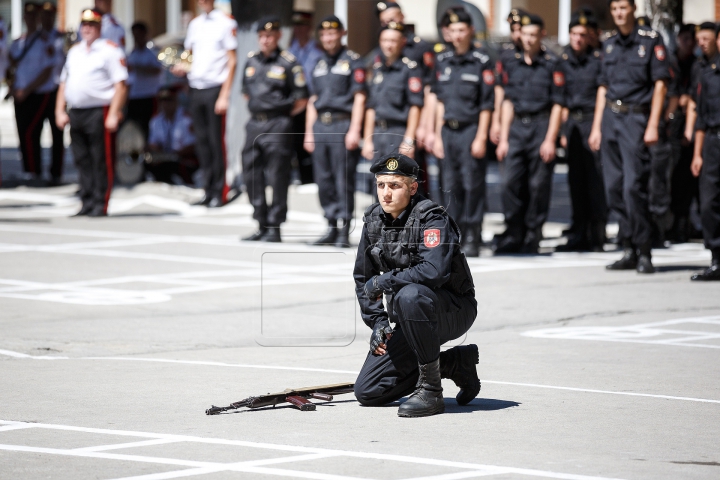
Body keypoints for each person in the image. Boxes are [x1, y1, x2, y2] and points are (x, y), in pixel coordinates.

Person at [353, 153, 479, 417]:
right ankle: (453, 364)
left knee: (409, 296)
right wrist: (377, 322)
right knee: (368, 391)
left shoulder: (432, 219)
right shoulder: (374, 220)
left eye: (394, 186)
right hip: (412, 316)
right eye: (381, 185)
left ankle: (431, 392)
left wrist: (386, 280)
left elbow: (433, 272)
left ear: (412, 187)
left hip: (451, 309)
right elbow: (364, 278)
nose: (386, 194)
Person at [588, 0, 670, 274]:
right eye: (615, 9)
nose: (619, 13)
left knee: (633, 187)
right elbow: (602, 87)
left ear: (634, 9)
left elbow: (660, 85)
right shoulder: (608, 43)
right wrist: (597, 126)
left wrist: (653, 125)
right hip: (611, 118)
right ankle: (628, 248)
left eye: (624, 7)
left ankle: (644, 249)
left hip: (637, 118)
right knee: (613, 188)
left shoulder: (650, 40)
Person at [495, 13, 564, 254]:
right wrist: (503, 138)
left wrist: (550, 139)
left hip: (541, 125)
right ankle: (514, 232)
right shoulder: (510, 61)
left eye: (534, 35)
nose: (529, 39)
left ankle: (533, 234)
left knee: (538, 184)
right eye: (525, 34)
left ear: (541, 35)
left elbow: (557, 104)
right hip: (516, 128)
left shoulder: (552, 63)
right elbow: (507, 102)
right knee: (509, 183)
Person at [432, 8, 494, 257]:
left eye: (461, 30)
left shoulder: (481, 61)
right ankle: (453, 234)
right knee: (449, 185)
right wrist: (436, 134)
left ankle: (473, 234)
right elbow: (439, 101)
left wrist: (481, 136)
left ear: (470, 31)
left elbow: (487, 104)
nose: (457, 35)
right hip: (448, 131)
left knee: (472, 184)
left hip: (470, 130)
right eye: (452, 30)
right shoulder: (443, 60)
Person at [240, 16, 309, 242]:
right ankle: (261, 220)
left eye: (269, 36)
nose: (265, 40)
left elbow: (301, 98)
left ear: (278, 36)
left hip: (278, 123)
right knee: (250, 172)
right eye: (261, 36)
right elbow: (246, 93)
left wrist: (281, 116)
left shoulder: (289, 62)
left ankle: (275, 226)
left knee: (277, 174)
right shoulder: (251, 61)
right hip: (254, 123)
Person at [55, 8, 128, 217]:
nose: (87, 29)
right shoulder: (75, 51)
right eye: (84, 25)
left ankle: (100, 201)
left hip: (99, 110)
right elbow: (64, 84)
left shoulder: (110, 50)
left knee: (100, 158)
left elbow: (120, 85)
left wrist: (114, 113)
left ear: (99, 27)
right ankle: (86, 200)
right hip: (77, 111)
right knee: (81, 158)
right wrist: (60, 110)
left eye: (92, 25)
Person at [303, 15, 366, 248]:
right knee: (324, 178)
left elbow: (360, 98)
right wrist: (309, 132)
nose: (328, 38)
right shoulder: (318, 63)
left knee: (343, 179)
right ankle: (330, 225)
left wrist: (354, 130)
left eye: (332, 33)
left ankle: (343, 229)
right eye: (324, 34)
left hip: (342, 125)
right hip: (321, 125)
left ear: (342, 34)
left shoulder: (353, 61)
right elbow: (313, 99)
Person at [175, 0, 237, 208]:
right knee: (201, 142)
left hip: (214, 88)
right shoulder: (195, 24)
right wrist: (181, 67)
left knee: (215, 142)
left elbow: (232, 60)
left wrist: (225, 94)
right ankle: (208, 189)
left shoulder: (225, 22)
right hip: (196, 87)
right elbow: (189, 55)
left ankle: (220, 191)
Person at [556, 12, 607, 252]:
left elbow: (601, 95)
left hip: (591, 122)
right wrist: (564, 130)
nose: (578, 38)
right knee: (575, 181)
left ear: (589, 38)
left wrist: (596, 128)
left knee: (594, 180)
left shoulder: (598, 60)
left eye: (583, 35)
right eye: (574, 34)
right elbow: (562, 98)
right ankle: (578, 232)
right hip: (573, 124)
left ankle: (596, 234)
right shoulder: (563, 60)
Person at [361, 22, 423, 166]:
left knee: (397, 182)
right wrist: (367, 139)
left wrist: (408, 139)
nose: (388, 45)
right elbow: (371, 107)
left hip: (398, 134)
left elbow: (415, 106)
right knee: (376, 183)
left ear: (402, 42)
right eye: (385, 40)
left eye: (393, 41)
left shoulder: (410, 69)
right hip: (377, 134)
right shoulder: (376, 69)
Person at [9, 2, 55, 180]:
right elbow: (11, 68)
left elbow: (47, 70)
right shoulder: (18, 43)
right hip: (20, 94)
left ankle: (35, 170)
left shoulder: (45, 42)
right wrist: (13, 88)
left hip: (37, 93)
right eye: (27, 17)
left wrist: (27, 90)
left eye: (33, 17)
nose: (30, 20)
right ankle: (29, 170)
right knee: (22, 132)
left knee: (32, 132)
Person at [688, 25, 720, 281]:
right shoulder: (706, 73)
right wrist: (697, 153)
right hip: (712, 141)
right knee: (708, 203)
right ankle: (717, 258)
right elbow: (701, 117)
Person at [289, 11, 322, 186]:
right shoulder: (289, 49)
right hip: (293, 103)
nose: (300, 30)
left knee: (309, 140)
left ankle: (310, 177)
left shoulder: (317, 50)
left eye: (303, 26)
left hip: (311, 101)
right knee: (293, 140)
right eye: (297, 26)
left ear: (309, 28)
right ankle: (300, 176)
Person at [37, 2, 66, 186]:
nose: (48, 18)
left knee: (58, 133)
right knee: (35, 132)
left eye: (51, 15)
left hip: (57, 90)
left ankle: (56, 172)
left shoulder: (62, 37)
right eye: (45, 15)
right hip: (39, 91)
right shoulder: (34, 38)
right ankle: (36, 171)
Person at [489, 8, 527, 146]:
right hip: (510, 117)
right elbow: (499, 89)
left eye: (520, 30)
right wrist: (496, 121)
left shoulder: (543, 56)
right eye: (513, 30)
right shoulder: (505, 54)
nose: (517, 35)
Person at [146, 87, 197, 184]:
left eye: (169, 100)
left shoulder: (186, 119)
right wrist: (160, 154)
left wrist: (172, 155)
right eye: (162, 101)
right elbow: (153, 142)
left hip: (183, 159)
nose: (166, 104)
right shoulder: (156, 121)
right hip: (165, 159)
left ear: (176, 100)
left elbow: (192, 145)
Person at [126, 21, 162, 138]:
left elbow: (156, 70)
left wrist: (137, 67)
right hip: (134, 96)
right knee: (135, 127)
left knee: (150, 126)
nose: (136, 38)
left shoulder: (152, 52)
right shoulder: (132, 54)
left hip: (149, 95)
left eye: (139, 34)